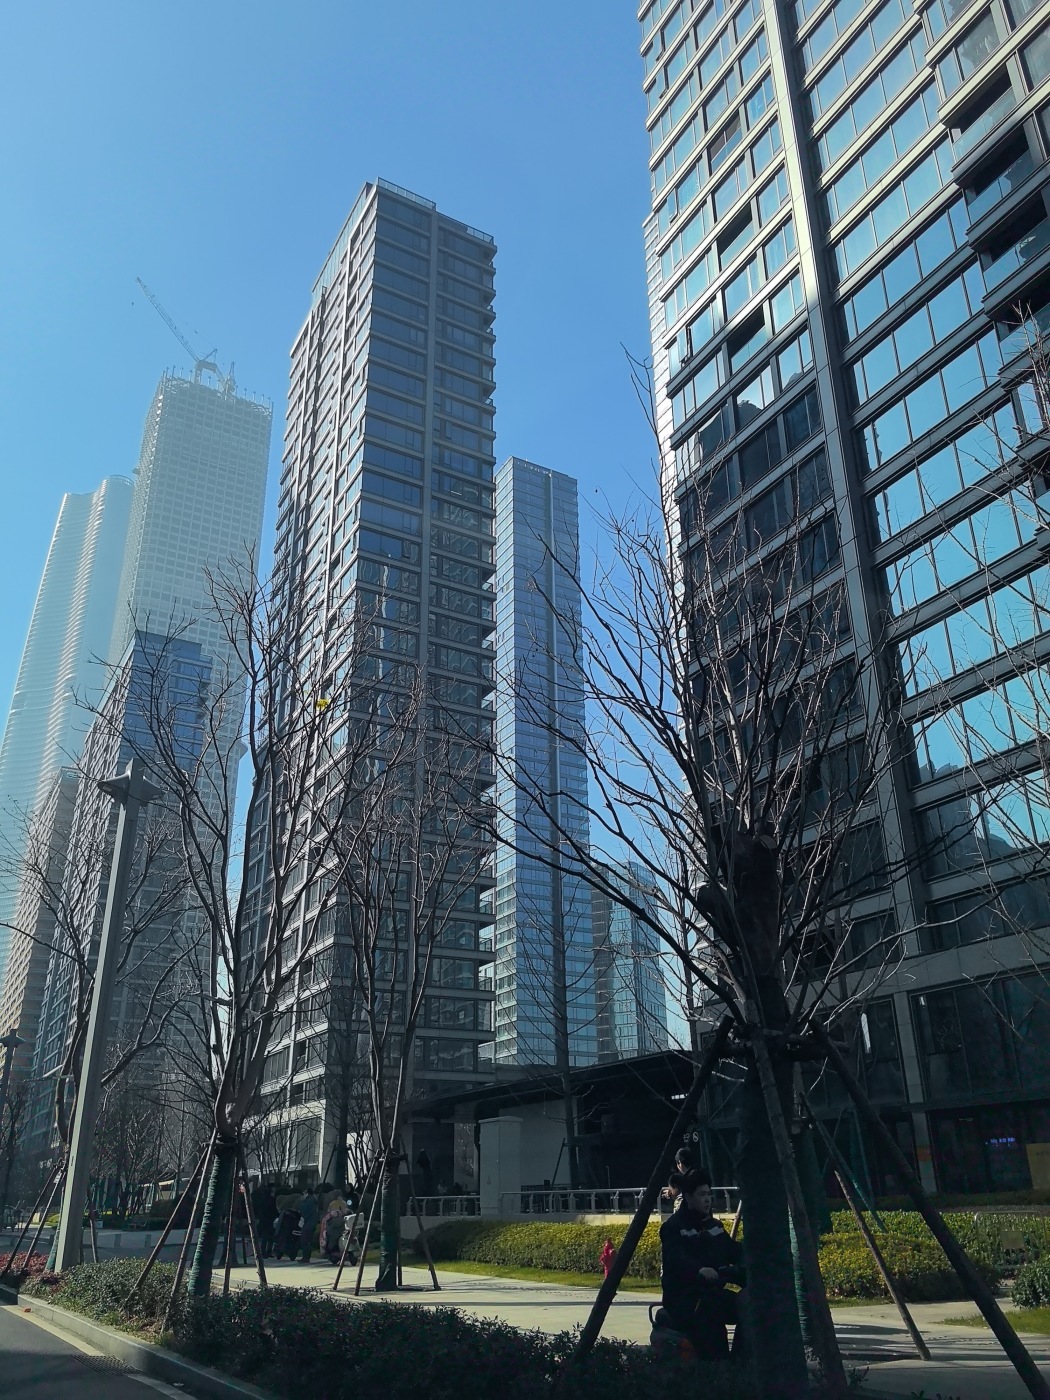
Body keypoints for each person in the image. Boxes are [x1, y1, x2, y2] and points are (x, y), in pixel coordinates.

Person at [659, 1168, 745, 1361]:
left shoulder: (715, 1226)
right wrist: (699, 1270)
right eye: (702, 1195)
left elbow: (734, 1250)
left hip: (712, 1293)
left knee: (749, 1306)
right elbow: (676, 1259)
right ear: (688, 1197)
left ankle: (741, 1364)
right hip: (685, 1298)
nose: (707, 1200)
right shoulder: (673, 1228)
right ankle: (716, 1368)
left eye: (708, 1194)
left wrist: (752, 1261)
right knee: (711, 1318)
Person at [251, 1181, 277, 1259]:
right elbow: (272, 1208)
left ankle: (265, 1251)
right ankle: (266, 1252)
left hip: (264, 1218)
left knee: (267, 1236)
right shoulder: (270, 1198)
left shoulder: (264, 1197)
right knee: (268, 1236)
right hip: (268, 1219)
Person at [296, 1185, 320, 1263]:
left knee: (304, 1239)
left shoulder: (309, 1200)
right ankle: (306, 1256)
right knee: (307, 1239)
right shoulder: (313, 1199)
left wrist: (301, 1201)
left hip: (309, 1222)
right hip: (312, 1222)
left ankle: (305, 1257)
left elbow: (303, 1209)